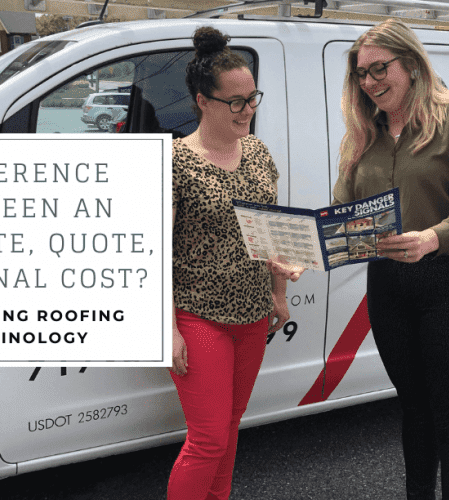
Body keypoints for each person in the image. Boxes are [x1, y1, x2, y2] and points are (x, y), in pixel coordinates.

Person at [332, 19, 449, 500]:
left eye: (380, 68)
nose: (370, 82)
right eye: (361, 73)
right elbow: (345, 212)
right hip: (391, 288)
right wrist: (309, 248)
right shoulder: (361, 133)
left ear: (410, 63)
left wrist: (433, 237)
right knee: (414, 410)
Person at [168, 26, 298, 500]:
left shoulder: (259, 154)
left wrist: (279, 291)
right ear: (203, 101)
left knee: (230, 425)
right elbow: (153, 252)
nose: (248, 110)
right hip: (197, 314)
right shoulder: (176, 161)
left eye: (252, 98)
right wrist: (167, 329)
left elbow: (271, 231)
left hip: (252, 312)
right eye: (236, 102)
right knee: (208, 439)